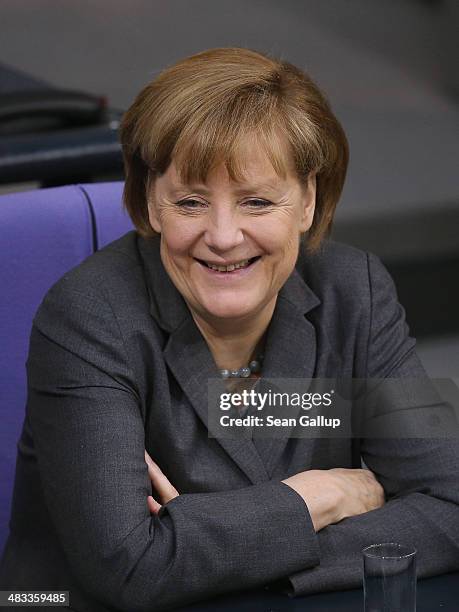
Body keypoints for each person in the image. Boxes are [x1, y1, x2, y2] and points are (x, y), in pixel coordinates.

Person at [1, 47, 458, 611]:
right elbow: (127, 567)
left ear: (308, 200)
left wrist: (215, 548)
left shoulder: (354, 291)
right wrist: (315, 498)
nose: (223, 236)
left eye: (257, 202)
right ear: (151, 201)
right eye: (191, 202)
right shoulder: (89, 317)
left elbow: (451, 501)